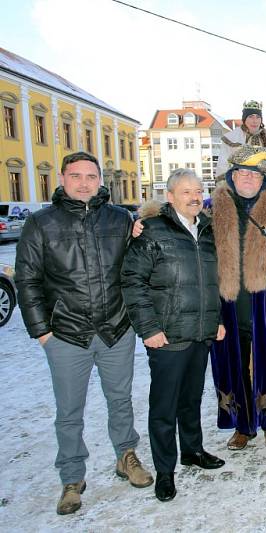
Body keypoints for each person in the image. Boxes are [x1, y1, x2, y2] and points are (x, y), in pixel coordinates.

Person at [15, 151, 153, 515]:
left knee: (120, 401)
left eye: (90, 176)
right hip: (66, 334)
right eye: (75, 176)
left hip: (115, 330)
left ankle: (126, 456)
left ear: (100, 180)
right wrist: (42, 331)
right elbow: (27, 280)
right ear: (62, 179)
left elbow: (136, 266)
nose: (83, 183)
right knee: (69, 411)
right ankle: (72, 477)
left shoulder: (120, 218)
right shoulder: (41, 223)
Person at [122, 169, 226, 502]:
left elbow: (214, 283)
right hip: (167, 337)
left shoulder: (208, 231)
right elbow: (132, 282)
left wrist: (217, 320)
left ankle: (192, 450)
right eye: (186, 192)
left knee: (192, 398)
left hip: (200, 334)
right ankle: (165, 470)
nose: (195, 197)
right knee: (164, 406)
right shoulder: (152, 231)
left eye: (198, 191)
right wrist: (149, 328)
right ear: (169, 196)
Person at [209, 145, 266, 451]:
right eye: (241, 172)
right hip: (227, 304)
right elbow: (177, 220)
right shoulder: (210, 208)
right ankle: (242, 426)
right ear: (231, 176)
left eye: (253, 173)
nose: (247, 178)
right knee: (233, 363)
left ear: (264, 179)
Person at [215, 100, 266, 180]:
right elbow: (222, 166)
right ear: (244, 119)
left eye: (258, 117)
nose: (255, 121)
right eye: (251, 117)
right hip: (239, 184)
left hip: (264, 183)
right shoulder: (232, 138)